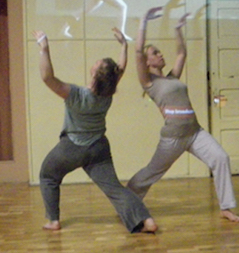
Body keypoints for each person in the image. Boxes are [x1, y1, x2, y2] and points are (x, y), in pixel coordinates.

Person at [34, 28, 157, 233]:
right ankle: (146, 220)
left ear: (95, 73)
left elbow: (47, 77)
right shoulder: (107, 92)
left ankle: (53, 221)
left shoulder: (75, 94)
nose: (96, 62)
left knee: (48, 175)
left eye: (98, 63)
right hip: (99, 148)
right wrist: (123, 46)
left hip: (72, 147)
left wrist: (44, 48)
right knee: (114, 188)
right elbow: (120, 69)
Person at [128, 7, 239, 222]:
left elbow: (182, 54)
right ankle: (127, 200)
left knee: (221, 158)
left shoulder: (172, 78)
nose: (161, 55)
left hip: (195, 132)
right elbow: (138, 51)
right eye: (155, 53)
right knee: (152, 172)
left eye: (160, 52)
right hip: (173, 138)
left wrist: (177, 30)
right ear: (147, 62)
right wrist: (143, 20)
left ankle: (226, 207)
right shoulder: (149, 82)